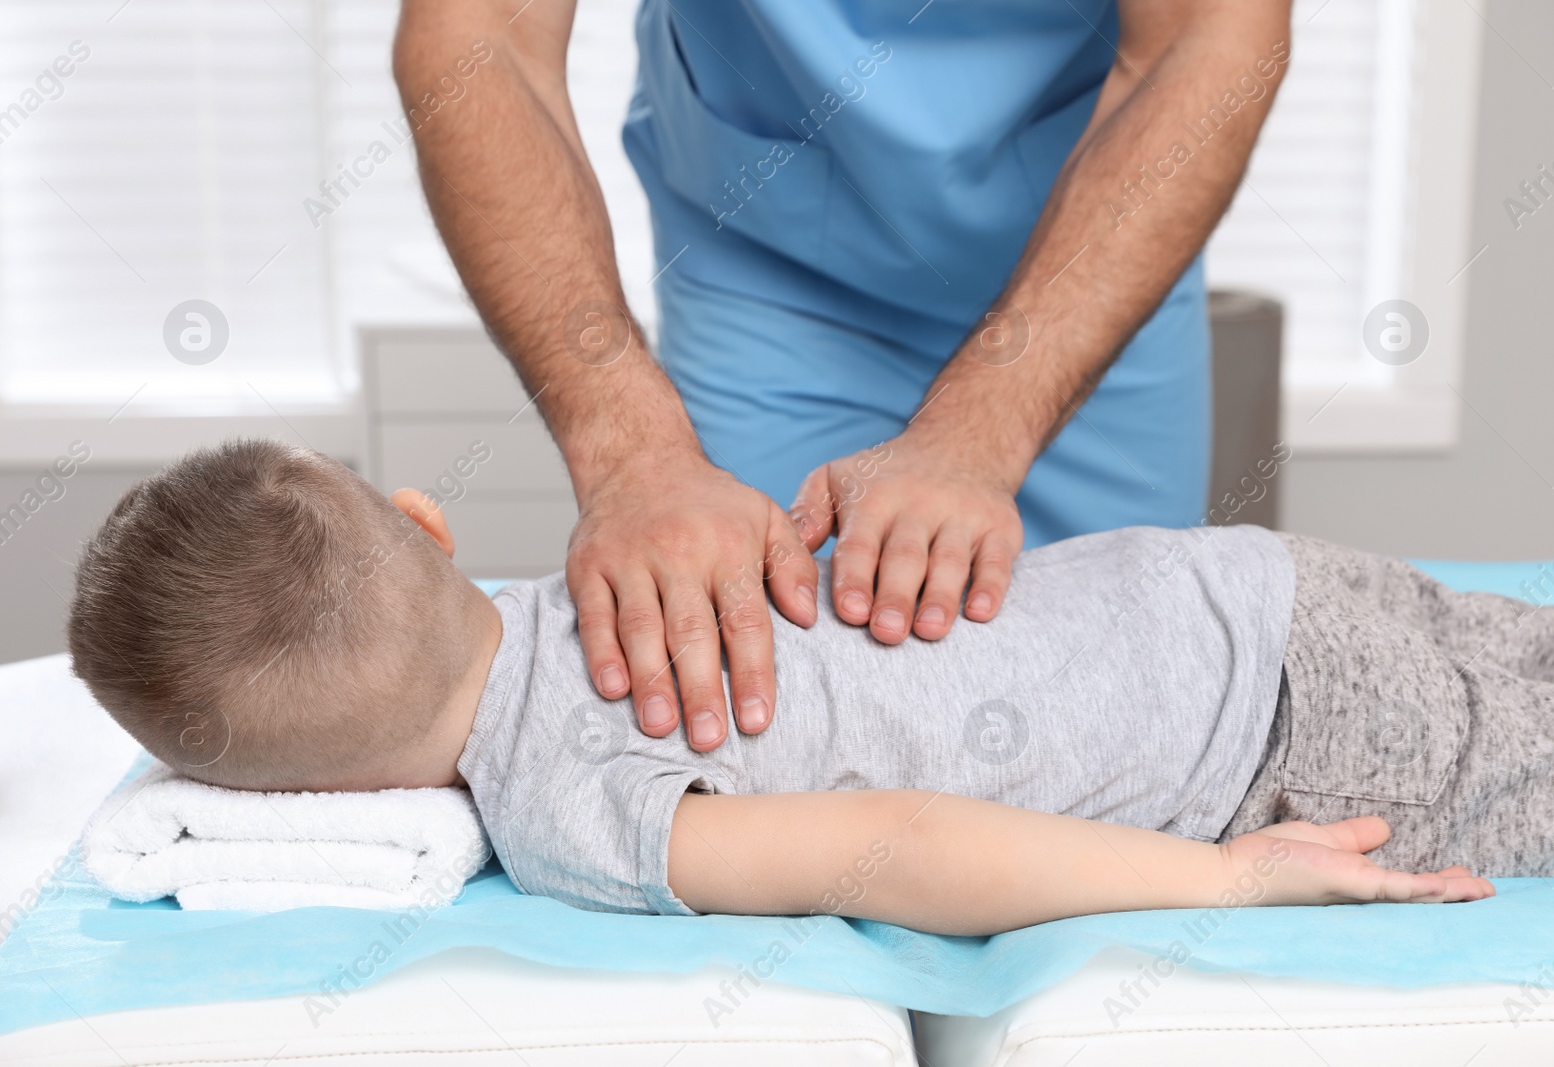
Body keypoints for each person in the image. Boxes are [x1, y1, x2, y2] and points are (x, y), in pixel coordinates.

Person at [91, 444, 1554, 930]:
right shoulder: (620, 573)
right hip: (1232, 583)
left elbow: (907, 840)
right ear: (427, 528)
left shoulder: (570, 812)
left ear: (321, 803)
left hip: (1289, 740)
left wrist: (1224, 881)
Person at [392, 0, 1294, 751]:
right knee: (751, 730)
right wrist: (631, 454)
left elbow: (1205, 39)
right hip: (774, 249)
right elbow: (481, 40)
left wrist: (982, 428)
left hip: (1083, 244)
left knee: (1131, 726)